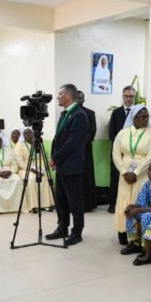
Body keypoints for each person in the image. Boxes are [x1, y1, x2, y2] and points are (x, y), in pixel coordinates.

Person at [47, 83, 89, 246]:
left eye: (60, 94)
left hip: (72, 166)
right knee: (61, 199)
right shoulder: (65, 114)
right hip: (62, 166)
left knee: (75, 201)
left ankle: (77, 232)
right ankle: (62, 227)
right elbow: (59, 140)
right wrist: (56, 159)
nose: (57, 97)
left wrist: (55, 159)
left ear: (68, 96)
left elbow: (72, 143)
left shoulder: (79, 115)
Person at [112, 105, 151, 247]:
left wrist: (136, 172)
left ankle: (137, 236)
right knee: (123, 200)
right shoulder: (123, 133)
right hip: (125, 172)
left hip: (142, 172)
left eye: (147, 117)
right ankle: (123, 231)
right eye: (143, 117)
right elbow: (115, 153)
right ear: (134, 118)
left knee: (137, 200)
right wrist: (124, 171)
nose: (146, 119)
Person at [107, 86, 136, 213]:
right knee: (115, 177)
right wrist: (122, 145)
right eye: (126, 96)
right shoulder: (116, 113)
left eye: (131, 96)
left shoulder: (138, 112)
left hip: (133, 153)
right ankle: (112, 203)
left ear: (134, 97)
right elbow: (111, 134)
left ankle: (130, 203)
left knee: (131, 177)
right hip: (118, 152)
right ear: (123, 97)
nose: (128, 99)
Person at [16, 127, 55, 213]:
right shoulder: (19, 146)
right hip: (24, 168)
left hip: (38, 167)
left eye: (29, 132)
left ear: (33, 134)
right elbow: (20, 162)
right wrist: (31, 169)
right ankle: (33, 205)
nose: (28, 135)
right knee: (31, 179)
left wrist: (42, 170)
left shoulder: (38, 144)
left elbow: (42, 158)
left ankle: (46, 204)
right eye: (25, 133)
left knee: (44, 178)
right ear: (23, 135)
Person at [76, 90, 98, 212]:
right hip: (72, 151)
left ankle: (87, 205)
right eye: (76, 98)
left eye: (81, 98)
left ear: (83, 100)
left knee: (86, 176)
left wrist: (79, 143)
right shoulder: (67, 113)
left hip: (85, 149)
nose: (79, 100)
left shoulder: (90, 113)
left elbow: (92, 132)